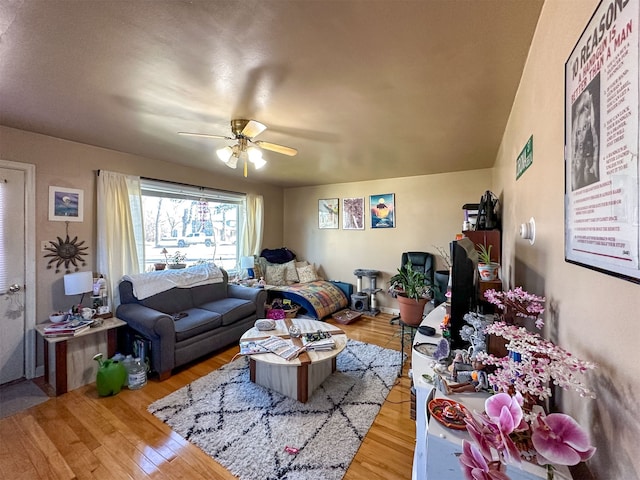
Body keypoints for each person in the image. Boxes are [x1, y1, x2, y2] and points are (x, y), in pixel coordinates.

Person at [572, 89, 600, 190]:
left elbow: (592, 126)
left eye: (584, 128)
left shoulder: (592, 150)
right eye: (578, 132)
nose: (581, 137)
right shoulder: (575, 161)